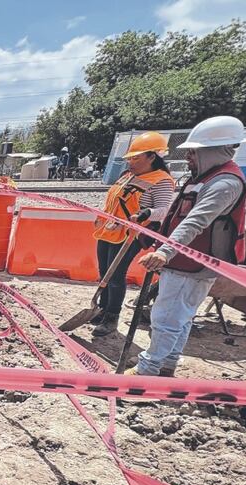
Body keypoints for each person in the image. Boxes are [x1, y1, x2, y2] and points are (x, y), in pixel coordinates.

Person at [127, 116, 246, 377]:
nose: (189, 158)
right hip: (186, 262)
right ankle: (167, 364)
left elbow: (195, 221)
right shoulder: (206, 177)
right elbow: (177, 213)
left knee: (166, 317)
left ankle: (147, 371)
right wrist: (155, 227)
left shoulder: (224, 183)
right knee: (181, 316)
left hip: (191, 264)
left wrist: (165, 251)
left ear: (216, 150)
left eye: (194, 152)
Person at [90, 132, 176, 337]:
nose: (131, 162)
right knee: (104, 272)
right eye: (130, 158)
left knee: (116, 276)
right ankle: (101, 309)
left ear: (152, 157)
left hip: (130, 235)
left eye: (136, 158)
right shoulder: (128, 176)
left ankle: (112, 317)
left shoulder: (162, 181)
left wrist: (147, 213)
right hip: (109, 230)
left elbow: (164, 210)